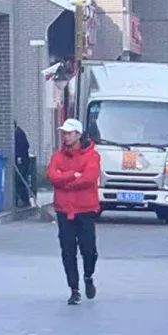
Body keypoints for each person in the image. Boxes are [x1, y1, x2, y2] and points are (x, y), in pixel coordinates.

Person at [47, 118, 101, 306]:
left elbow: (89, 178)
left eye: (69, 133)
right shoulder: (57, 156)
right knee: (68, 251)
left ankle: (88, 276)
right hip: (64, 210)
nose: (66, 136)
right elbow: (52, 176)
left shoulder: (92, 155)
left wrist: (65, 182)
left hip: (85, 210)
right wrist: (72, 175)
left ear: (78, 135)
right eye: (64, 133)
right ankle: (74, 289)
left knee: (89, 250)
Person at [15, 122, 32, 207]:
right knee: (20, 180)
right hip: (23, 160)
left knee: (19, 180)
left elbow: (23, 147)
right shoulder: (19, 132)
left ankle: (24, 200)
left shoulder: (18, 133)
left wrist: (19, 158)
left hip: (22, 161)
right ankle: (23, 200)